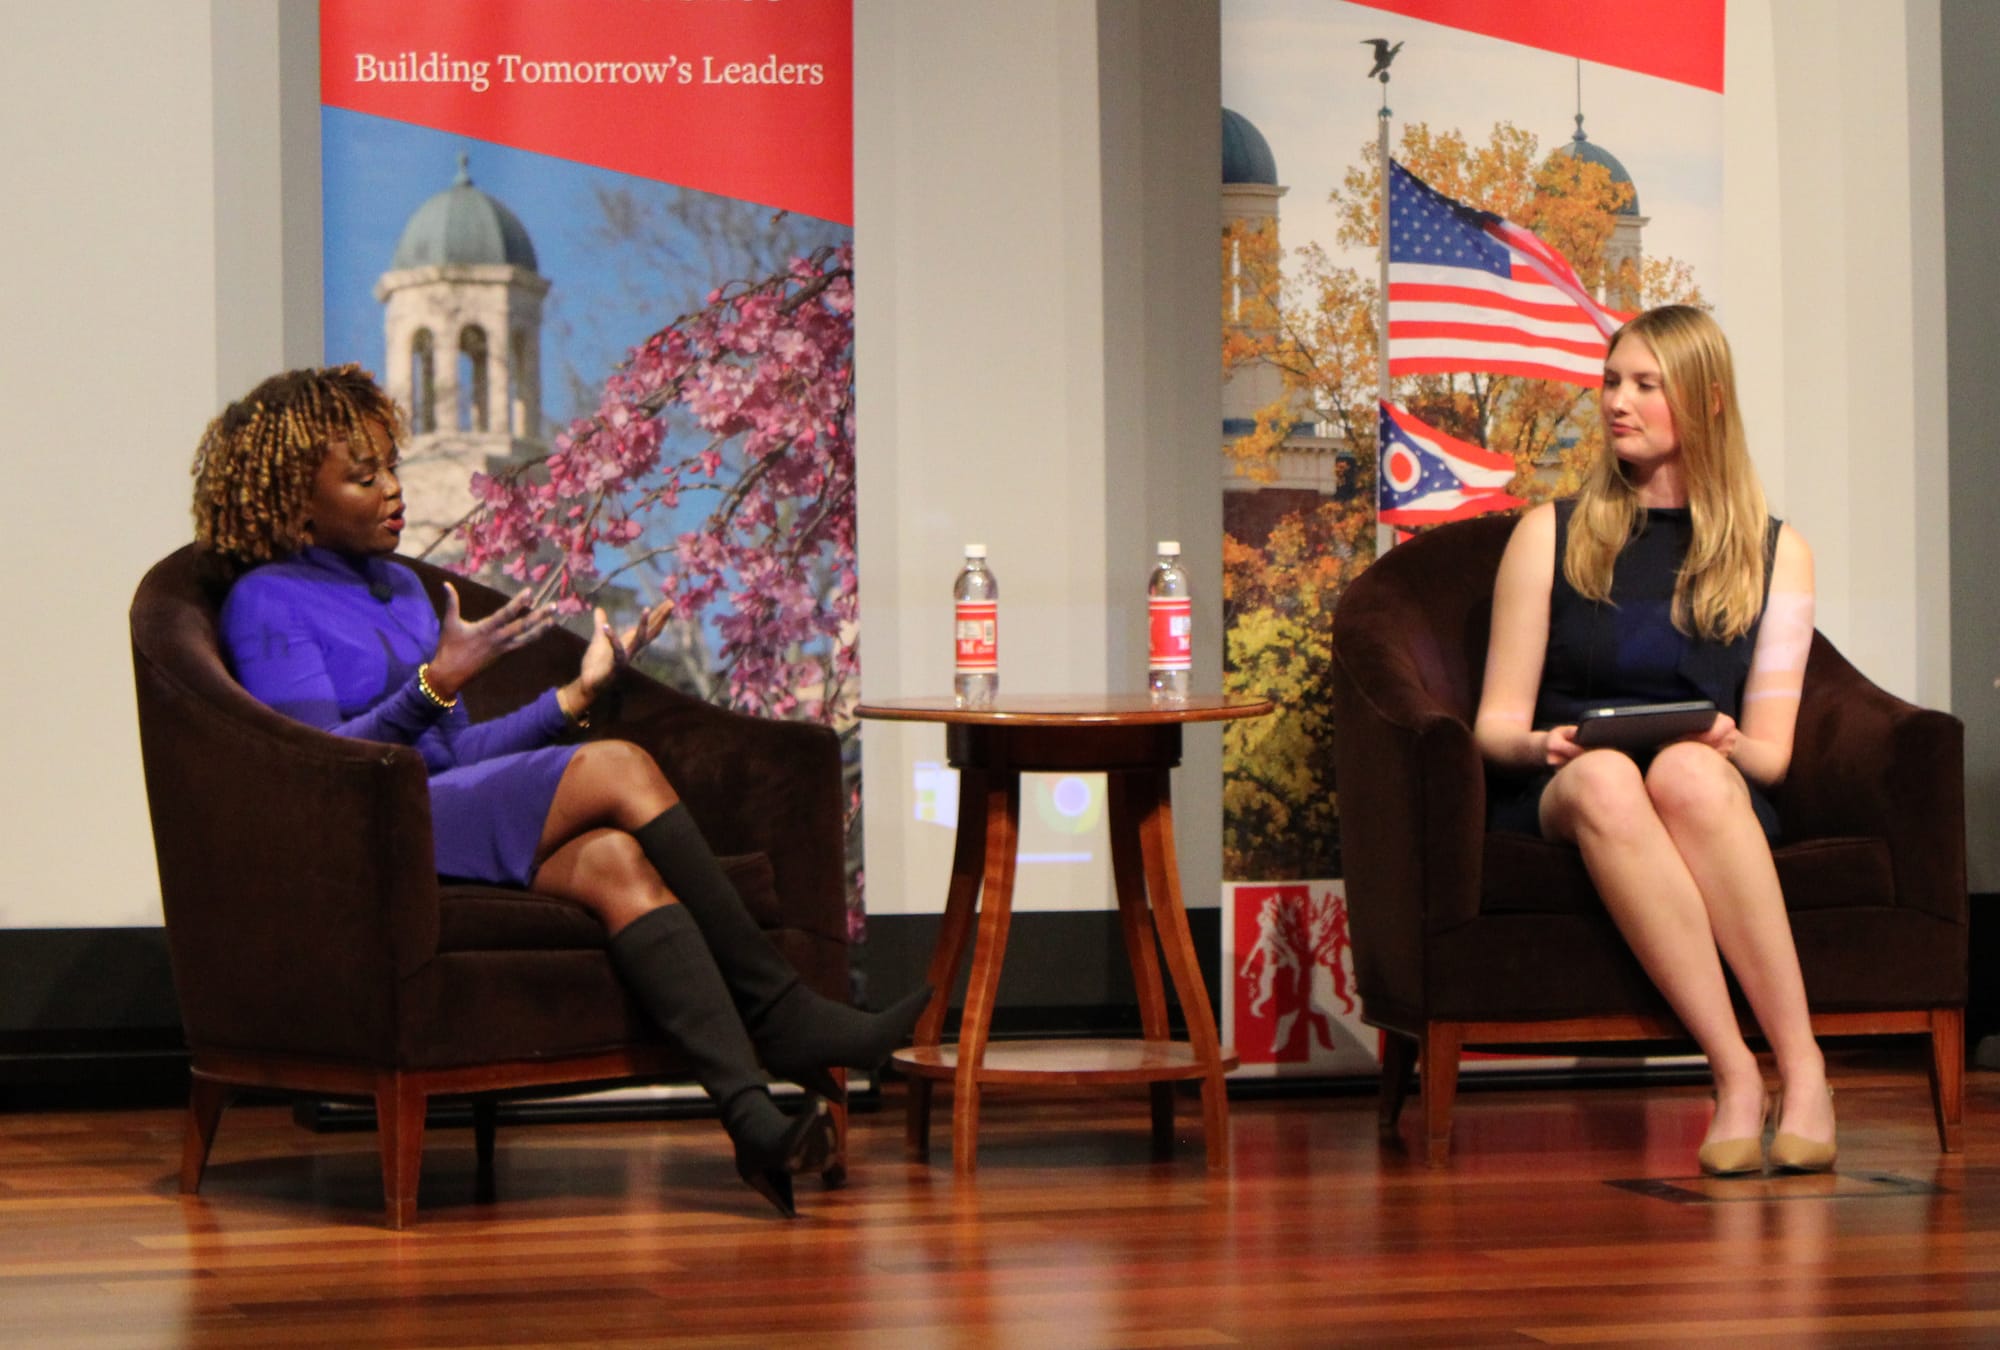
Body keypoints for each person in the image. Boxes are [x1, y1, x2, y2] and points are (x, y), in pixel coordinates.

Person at [190, 365, 927, 1216]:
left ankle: (752, 1123)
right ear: (293, 506)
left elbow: (460, 752)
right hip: (366, 835)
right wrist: (431, 683)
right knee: (615, 765)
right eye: (364, 477)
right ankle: (784, 1012)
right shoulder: (263, 602)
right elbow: (320, 774)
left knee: (615, 860)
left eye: (391, 465)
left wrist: (573, 698)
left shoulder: (406, 588)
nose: (392, 489)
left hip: (440, 809)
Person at [1473, 306, 1836, 1176]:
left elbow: (1773, 756)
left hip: (1703, 784)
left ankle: (1807, 1068)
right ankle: (1734, 1074)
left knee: (1687, 770)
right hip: (1568, 782)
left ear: (1706, 403)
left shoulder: (1776, 553)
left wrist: (1722, 737)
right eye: (1610, 382)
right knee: (1606, 776)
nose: (1617, 403)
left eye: (1644, 385)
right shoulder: (1548, 534)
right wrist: (1542, 745)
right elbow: (1494, 725)